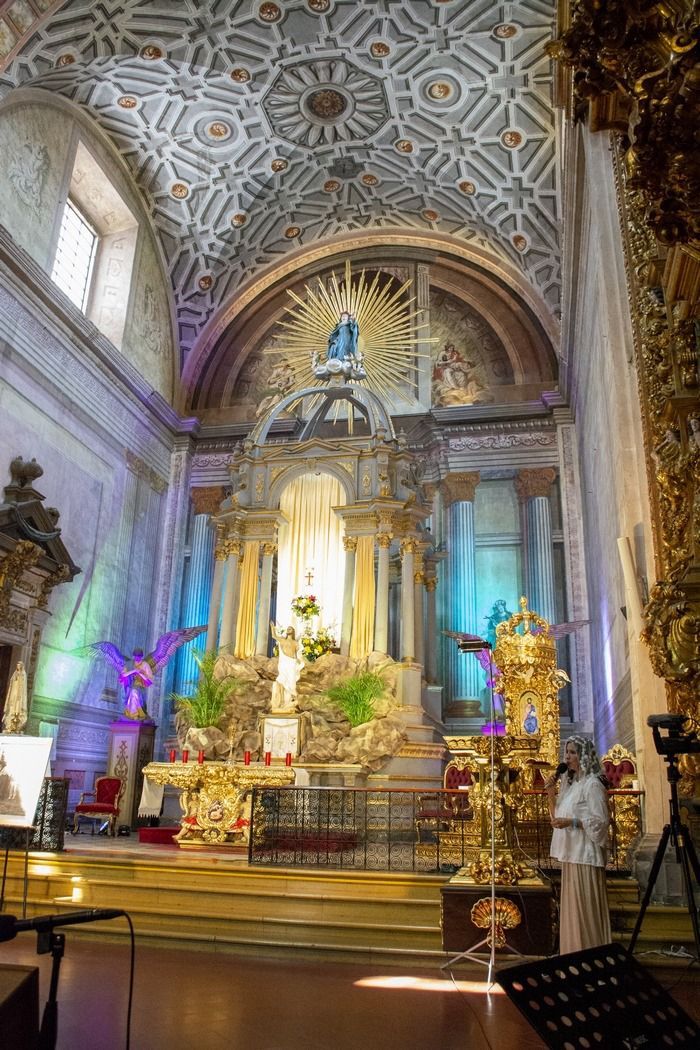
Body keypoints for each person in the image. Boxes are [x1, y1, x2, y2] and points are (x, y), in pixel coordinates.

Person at [545, 736, 611, 954]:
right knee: (573, 911)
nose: (567, 757)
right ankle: (573, 957)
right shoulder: (572, 786)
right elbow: (557, 818)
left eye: (573, 752)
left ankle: (592, 956)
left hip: (585, 856)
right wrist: (550, 792)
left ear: (584, 756)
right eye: (567, 752)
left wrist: (572, 822)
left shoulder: (592, 784)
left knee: (585, 912)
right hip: (572, 855)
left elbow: (601, 822)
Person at [270, 623, 304, 710]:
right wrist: (272, 627)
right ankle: (281, 701)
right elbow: (273, 636)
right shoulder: (282, 640)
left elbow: (298, 653)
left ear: (293, 632)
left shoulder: (295, 643)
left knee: (291, 682)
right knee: (281, 680)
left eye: (290, 629)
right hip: (284, 662)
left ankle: (294, 700)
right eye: (288, 628)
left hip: (291, 663)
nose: (288, 629)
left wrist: (299, 660)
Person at [2, 661, 28, 734]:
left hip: (19, 696)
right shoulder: (15, 673)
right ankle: (9, 725)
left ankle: (17, 726)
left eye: (19, 665)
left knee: (18, 707)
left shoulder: (23, 674)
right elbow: (11, 683)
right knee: (11, 708)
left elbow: (23, 686)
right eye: (17, 665)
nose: (18, 667)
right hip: (13, 694)